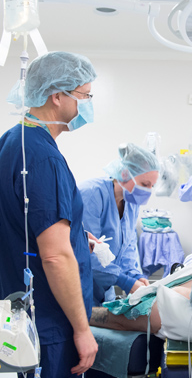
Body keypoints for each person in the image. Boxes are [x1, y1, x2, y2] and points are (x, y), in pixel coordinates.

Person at [0, 52, 98, 377]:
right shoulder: (44, 159)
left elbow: (20, 223)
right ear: (58, 96)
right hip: (48, 326)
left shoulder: (12, 142)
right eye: (84, 96)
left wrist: (76, 237)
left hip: (18, 315)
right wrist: (82, 330)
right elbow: (55, 257)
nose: (85, 105)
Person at [79, 143, 160, 306]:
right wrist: (126, 282)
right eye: (145, 184)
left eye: (152, 186)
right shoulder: (91, 195)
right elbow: (88, 251)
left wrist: (135, 276)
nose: (149, 191)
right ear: (124, 174)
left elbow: (128, 246)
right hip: (81, 286)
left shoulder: (131, 202)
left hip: (104, 291)